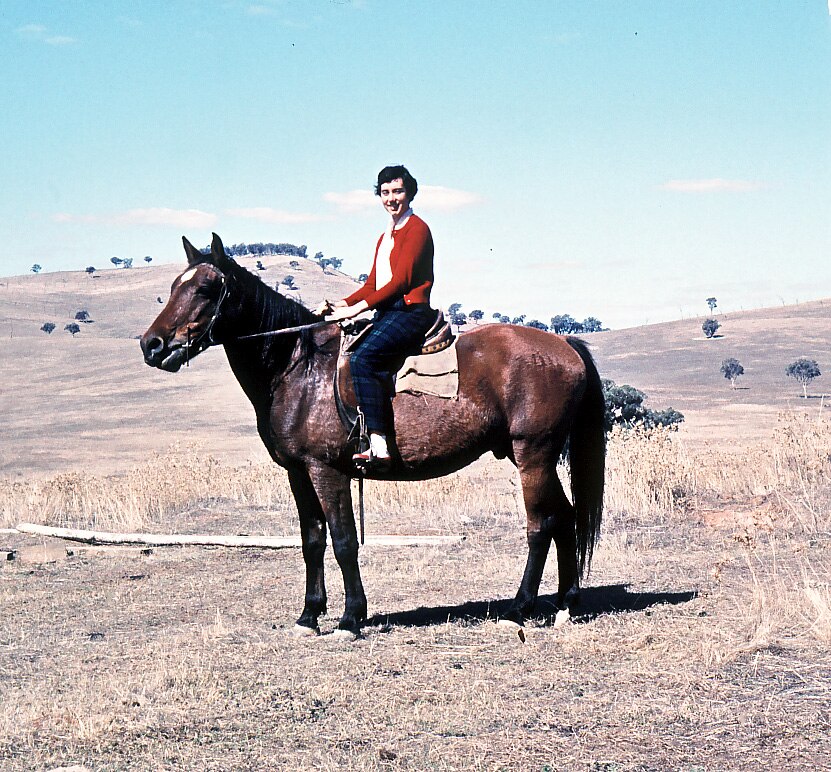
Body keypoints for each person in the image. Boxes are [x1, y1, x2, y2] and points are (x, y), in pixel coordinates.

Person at [314, 165, 436, 470]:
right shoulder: (385, 237)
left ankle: (379, 443)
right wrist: (339, 303)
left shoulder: (417, 229)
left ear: (410, 193)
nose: (391, 198)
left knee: (362, 359)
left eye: (398, 191)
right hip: (388, 311)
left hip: (410, 312)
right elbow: (373, 284)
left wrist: (357, 310)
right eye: (385, 192)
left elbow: (401, 282)